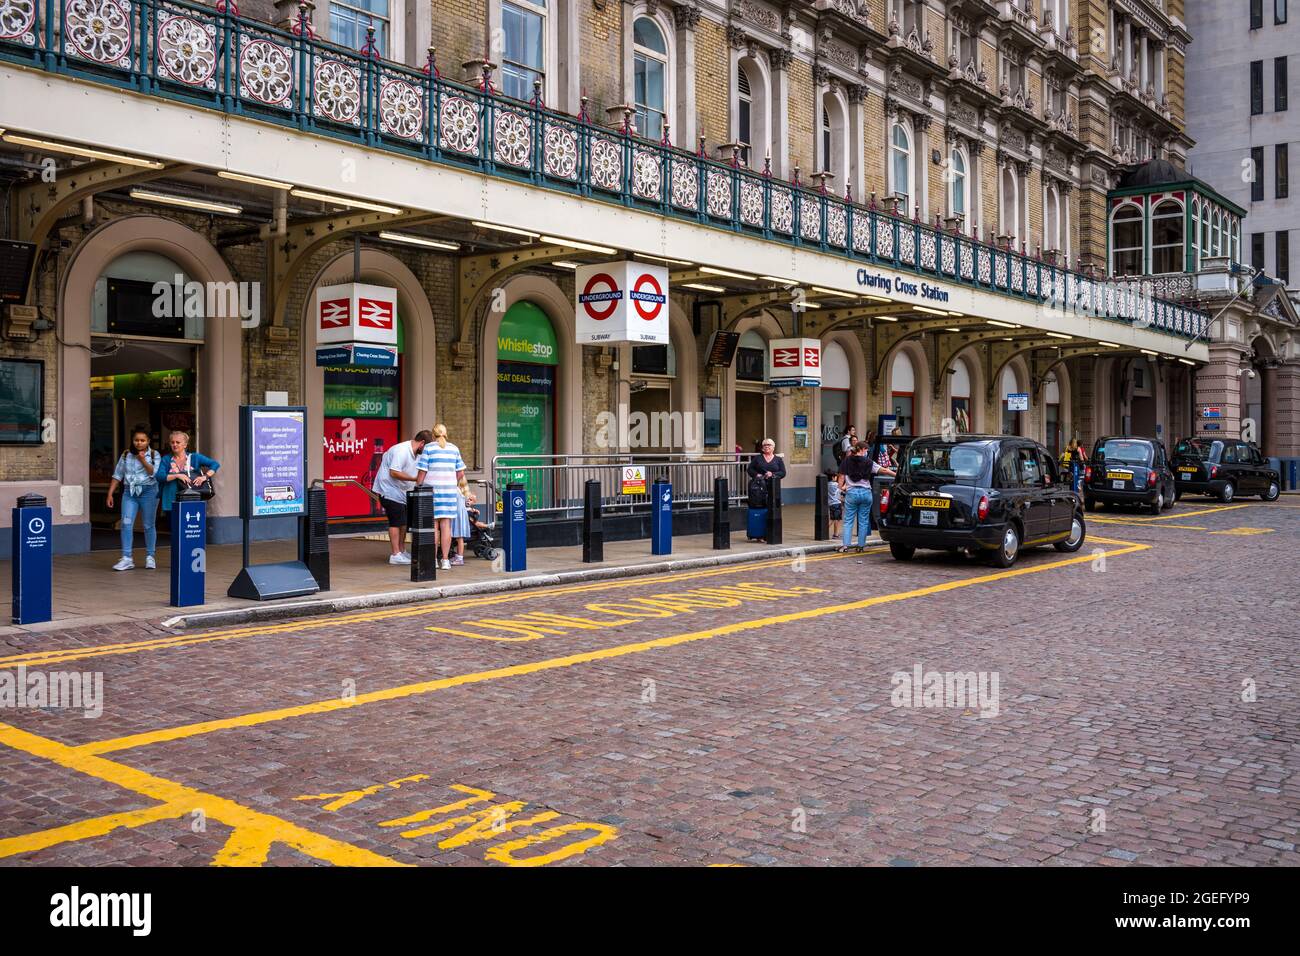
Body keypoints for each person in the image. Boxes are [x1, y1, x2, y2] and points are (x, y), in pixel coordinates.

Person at [105, 424, 161, 571]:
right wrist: (110, 493)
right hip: (129, 493)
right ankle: (127, 558)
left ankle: (150, 556)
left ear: (148, 441)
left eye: (143, 440)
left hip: (149, 492)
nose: (139, 443)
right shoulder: (126, 455)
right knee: (126, 523)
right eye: (136, 440)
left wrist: (143, 460)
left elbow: (153, 473)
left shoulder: (155, 455)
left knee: (148, 525)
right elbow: (118, 475)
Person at [372, 429, 432, 565]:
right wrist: (414, 479)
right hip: (389, 491)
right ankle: (395, 554)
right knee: (395, 522)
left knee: (403, 522)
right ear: (422, 443)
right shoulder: (401, 451)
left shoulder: (415, 453)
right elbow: (394, 472)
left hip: (401, 493)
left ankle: (402, 550)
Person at [415, 423, 466, 572]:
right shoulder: (454, 448)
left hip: (432, 492)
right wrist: (452, 482)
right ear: (446, 433)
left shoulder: (429, 448)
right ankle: (445, 560)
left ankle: (433, 560)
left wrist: (418, 486)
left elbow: (422, 472)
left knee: (433, 527)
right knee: (446, 527)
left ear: (433, 435)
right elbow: (461, 472)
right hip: (449, 492)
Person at [159, 430, 220, 516]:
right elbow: (160, 476)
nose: (174, 444)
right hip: (171, 500)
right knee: (173, 526)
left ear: (185, 444)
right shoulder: (166, 459)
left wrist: (205, 477)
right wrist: (177, 475)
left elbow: (215, 464)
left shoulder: (195, 457)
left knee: (191, 526)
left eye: (178, 442)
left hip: (191, 498)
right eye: (172, 442)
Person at [746, 438, 786, 543]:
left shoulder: (778, 460)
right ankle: (760, 534)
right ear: (762, 448)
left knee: (772, 510)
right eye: (765, 445)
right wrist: (757, 475)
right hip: (759, 490)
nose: (767, 446)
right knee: (761, 510)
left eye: (769, 445)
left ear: (773, 447)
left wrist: (773, 474)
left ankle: (770, 533)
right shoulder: (757, 458)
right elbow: (750, 469)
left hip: (773, 488)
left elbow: (783, 473)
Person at [838, 441, 876, 552]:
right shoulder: (869, 462)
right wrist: (896, 474)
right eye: (866, 450)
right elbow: (882, 470)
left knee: (848, 520)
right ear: (862, 449)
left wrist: (840, 489)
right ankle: (860, 546)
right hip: (866, 493)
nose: (867, 452)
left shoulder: (847, 461)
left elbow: (841, 477)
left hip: (852, 493)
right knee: (863, 521)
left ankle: (845, 546)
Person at [450, 476, 473, 566]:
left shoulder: (455, 490)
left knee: (459, 538)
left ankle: (460, 558)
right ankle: (458, 556)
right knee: (460, 538)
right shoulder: (463, 491)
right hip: (462, 514)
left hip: (457, 515)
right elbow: (466, 504)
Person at [825, 468, 843, 539]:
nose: (836, 477)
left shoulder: (827, 484)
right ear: (832, 477)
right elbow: (841, 490)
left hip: (831, 504)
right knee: (836, 520)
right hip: (837, 503)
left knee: (833, 519)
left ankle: (835, 534)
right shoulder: (835, 484)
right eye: (836, 476)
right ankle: (835, 534)